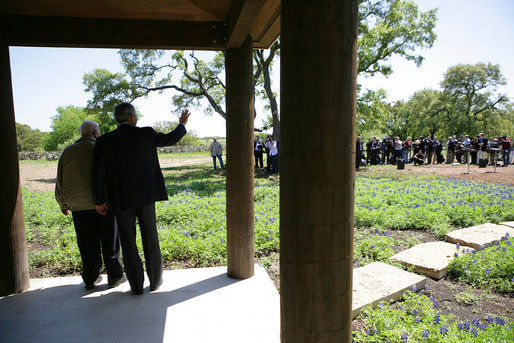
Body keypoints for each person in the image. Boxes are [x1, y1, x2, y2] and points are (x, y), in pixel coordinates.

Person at [93, 103, 190, 295]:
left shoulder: (104, 141)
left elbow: (98, 174)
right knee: (150, 238)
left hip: (120, 199)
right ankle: (155, 281)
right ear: (131, 117)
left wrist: (99, 200)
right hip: (146, 197)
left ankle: (136, 286)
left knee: (128, 243)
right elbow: (170, 138)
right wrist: (182, 124)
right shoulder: (146, 133)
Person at [55, 120, 125, 290]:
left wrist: (63, 203)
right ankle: (115, 276)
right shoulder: (102, 148)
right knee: (110, 242)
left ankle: (90, 278)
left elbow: (60, 180)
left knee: (87, 244)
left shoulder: (68, 152)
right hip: (104, 204)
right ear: (95, 133)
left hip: (78, 206)